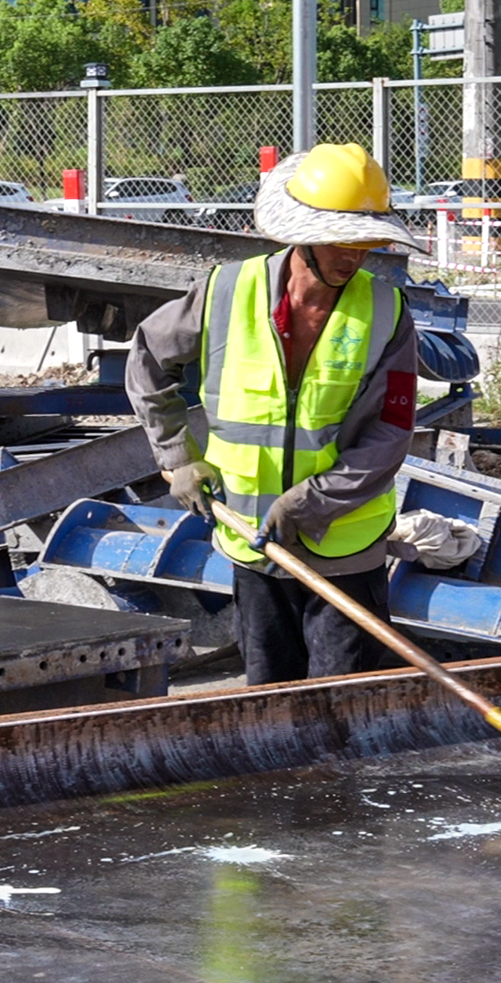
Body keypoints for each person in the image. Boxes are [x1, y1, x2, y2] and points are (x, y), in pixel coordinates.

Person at [126, 143, 420, 685]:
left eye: (365, 242)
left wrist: (313, 502)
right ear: (303, 235)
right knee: (269, 693)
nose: (353, 255)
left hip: (344, 545)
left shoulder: (388, 313)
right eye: (340, 240)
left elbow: (391, 432)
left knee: (345, 696)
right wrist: (177, 457)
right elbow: (147, 358)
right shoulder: (225, 292)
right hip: (252, 542)